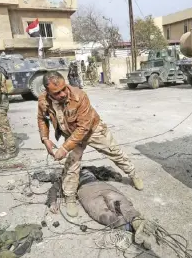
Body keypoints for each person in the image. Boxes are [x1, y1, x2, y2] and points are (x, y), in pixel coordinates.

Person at [37, 71, 143, 217]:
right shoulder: (43, 100)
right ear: (47, 91)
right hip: (71, 134)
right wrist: (45, 138)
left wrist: (64, 148)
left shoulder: (79, 96)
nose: (62, 94)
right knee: (71, 165)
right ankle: (70, 197)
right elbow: (42, 118)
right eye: (56, 93)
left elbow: (84, 127)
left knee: (114, 152)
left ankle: (133, 174)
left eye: (63, 89)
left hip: (92, 129)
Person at [47, 167, 154, 249]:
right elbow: (53, 190)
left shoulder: (82, 170)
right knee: (107, 209)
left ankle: (134, 223)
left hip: (95, 188)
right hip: (90, 189)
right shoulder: (65, 177)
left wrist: (113, 174)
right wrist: (52, 202)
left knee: (112, 205)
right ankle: (133, 225)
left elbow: (101, 170)